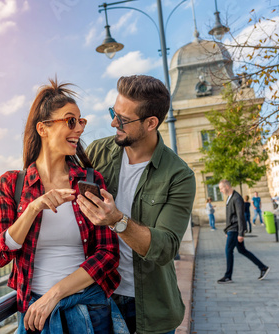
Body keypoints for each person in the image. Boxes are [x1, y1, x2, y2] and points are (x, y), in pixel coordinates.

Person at [0, 79, 125, 333]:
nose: (80, 129)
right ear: (43, 128)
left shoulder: (90, 181)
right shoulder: (11, 184)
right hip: (35, 318)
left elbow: (108, 254)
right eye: (71, 121)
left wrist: (53, 295)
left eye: (81, 121)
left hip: (88, 310)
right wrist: (32, 209)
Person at [77, 75, 196, 334]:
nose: (112, 123)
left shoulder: (179, 175)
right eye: (113, 112)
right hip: (97, 296)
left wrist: (117, 221)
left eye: (122, 119)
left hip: (151, 309)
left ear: (151, 122)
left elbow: (166, 248)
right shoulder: (97, 152)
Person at [217, 180, 270, 284]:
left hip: (235, 229)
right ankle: (263, 267)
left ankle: (228, 276)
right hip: (231, 229)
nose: (221, 191)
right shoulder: (230, 198)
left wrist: (241, 233)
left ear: (227, 186)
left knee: (228, 251)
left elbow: (240, 216)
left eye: (221, 188)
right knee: (242, 250)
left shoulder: (237, 198)